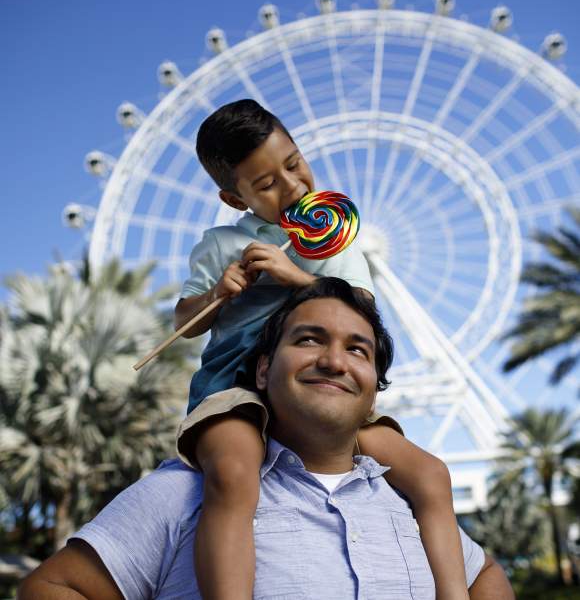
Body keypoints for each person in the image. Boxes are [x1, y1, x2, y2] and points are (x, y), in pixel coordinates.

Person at [18, 277, 515, 599]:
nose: (334, 361)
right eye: (308, 340)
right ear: (261, 371)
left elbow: (487, 577)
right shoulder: (189, 492)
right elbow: (50, 588)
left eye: (357, 351)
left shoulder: (411, 506)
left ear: (373, 394)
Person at [174, 99, 469, 599]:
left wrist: (296, 278)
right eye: (266, 184)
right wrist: (216, 294)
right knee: (232, 470)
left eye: (294, 163)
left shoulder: (333, 235)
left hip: (324, 396)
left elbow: (362, 309)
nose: (292, 186)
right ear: (233, 198)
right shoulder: (220, 243)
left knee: (431, 475)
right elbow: (184, 324)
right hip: (234, 392)